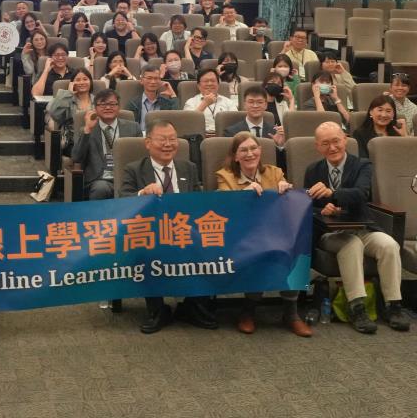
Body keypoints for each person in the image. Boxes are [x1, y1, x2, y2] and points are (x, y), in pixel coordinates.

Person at [304, 122, 409, 333]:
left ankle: (393, 305)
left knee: (389, 245)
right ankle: (357, 307)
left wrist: (332, 194)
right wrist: (322, 210)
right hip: (330, 234)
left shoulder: (362, 165)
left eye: (336, 141)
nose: (332, 147)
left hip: (362, 227)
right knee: (351, 245)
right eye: (325, 143)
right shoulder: (313, 170)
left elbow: (361, 194)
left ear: (345, 140)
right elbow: (306, 205)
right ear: (317, 146)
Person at [118, 119, 213, 332]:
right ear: (148, 143)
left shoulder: (188, 168)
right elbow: (122, 200)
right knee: (145, 251)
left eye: (172, 139)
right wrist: (143, 193)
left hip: (184, 230)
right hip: (150, 232)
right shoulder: (134, 169)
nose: (168, 144)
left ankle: (191, 307)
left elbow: (199, 202)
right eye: (162, 139)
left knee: (209, 244)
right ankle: (158, 311)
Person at [215, 132, 312, 337]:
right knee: (259, 250)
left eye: (253, 148)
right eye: (243, 150)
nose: (250, 154)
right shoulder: (225, 176)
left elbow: (288, 207)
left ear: (260, 151)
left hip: (275, 232)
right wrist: (243, 196)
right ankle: (248, 310)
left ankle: (291, 314)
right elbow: (223, 206)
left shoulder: (274, 172)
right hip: (242, 235)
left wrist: (286, 189)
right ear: (235, 156)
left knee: (293, 247)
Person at [71, 89, 141, 200]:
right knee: (101, 188)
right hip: (99, 179)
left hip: (126, 178)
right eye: (103, 104)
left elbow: (140, 157)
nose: (108, 107)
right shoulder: (87, 130)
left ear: (119, 107)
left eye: (112, 104)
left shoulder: (133, 127)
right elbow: (76, 158)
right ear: (95, 108)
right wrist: (87, 129)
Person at [47, 68, 94, 157]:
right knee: (87, 153)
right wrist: (68, 93)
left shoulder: (98, 100)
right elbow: (54, 114)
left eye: (85, 79)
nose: (82, 82)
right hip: (72, 141)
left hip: (93, 139)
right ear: (72, 83)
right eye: (78, 80)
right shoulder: (67, 99)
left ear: (90, 82)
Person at [183, 68, 238, 134]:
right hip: (200, 136)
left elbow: (235, 123)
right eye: (206, 81)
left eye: (213, 81)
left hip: (224, 136)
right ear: (199, 85)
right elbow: (188, 124)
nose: (209, 83)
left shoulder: (229, 102)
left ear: (218, 84)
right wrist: (205, 103)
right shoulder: (191, 102)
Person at [126, 64, 178, 133]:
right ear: (141, 80)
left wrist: (173, 95)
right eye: (149, 78)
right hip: (139, 137)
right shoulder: (133, 103)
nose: (153, 82)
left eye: (156, 78)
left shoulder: (166, 103)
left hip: (161, 136)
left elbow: (176, 119)